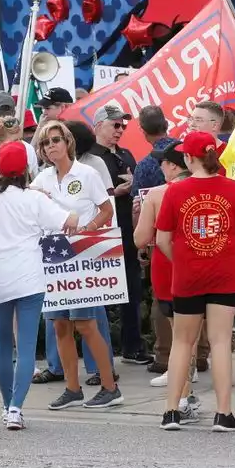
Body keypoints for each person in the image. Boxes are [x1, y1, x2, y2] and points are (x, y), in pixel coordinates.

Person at [0, 141, 79, 431]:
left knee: (3, 345)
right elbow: (71, 220)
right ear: (26, 169)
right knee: (25, 347)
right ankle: (16, 408)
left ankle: (5, 406)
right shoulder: (34, 199)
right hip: (30, 279)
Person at [156, 131, 235, 432]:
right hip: (225, 274)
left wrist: (182, 260)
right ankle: (223, 413)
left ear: (188, 157)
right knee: (221, 341)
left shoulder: (174, 191)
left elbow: (162, 240)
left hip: (188, 276)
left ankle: (171, 411)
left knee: (182, 343)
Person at [28, 121, 123, 410]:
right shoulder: (41, 179)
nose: (50, 146)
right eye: (45, 143)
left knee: (85, 324)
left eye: (55, 140)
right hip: (53, 256)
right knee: (59, 326)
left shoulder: (87, 173)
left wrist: (88, 228)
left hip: (83, 256)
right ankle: (72, 388)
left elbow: (107, 208)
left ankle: (110, 386)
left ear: (67, 142)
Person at [134, 142, 208, 400]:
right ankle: (189, 369)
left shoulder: (157, 194)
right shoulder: (209, 188)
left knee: (177, 327)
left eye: (163, 162)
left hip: (169, 265)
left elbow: (140, 239)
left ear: (175, 165)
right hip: (203, 261)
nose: (160, 166)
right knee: (194, 325)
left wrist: (141, 214)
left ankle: (182, 380)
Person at [90, 103, 151, 365]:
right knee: (100, 294)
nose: (120, 130)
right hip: (102, 232)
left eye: (123, 125)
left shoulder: (126, 154)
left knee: (131, 290)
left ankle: (132, 346)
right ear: (99, 125)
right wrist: (117, 191)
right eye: (115, 125)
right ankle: (99, 352)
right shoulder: (90, 156)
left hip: (127, 229)